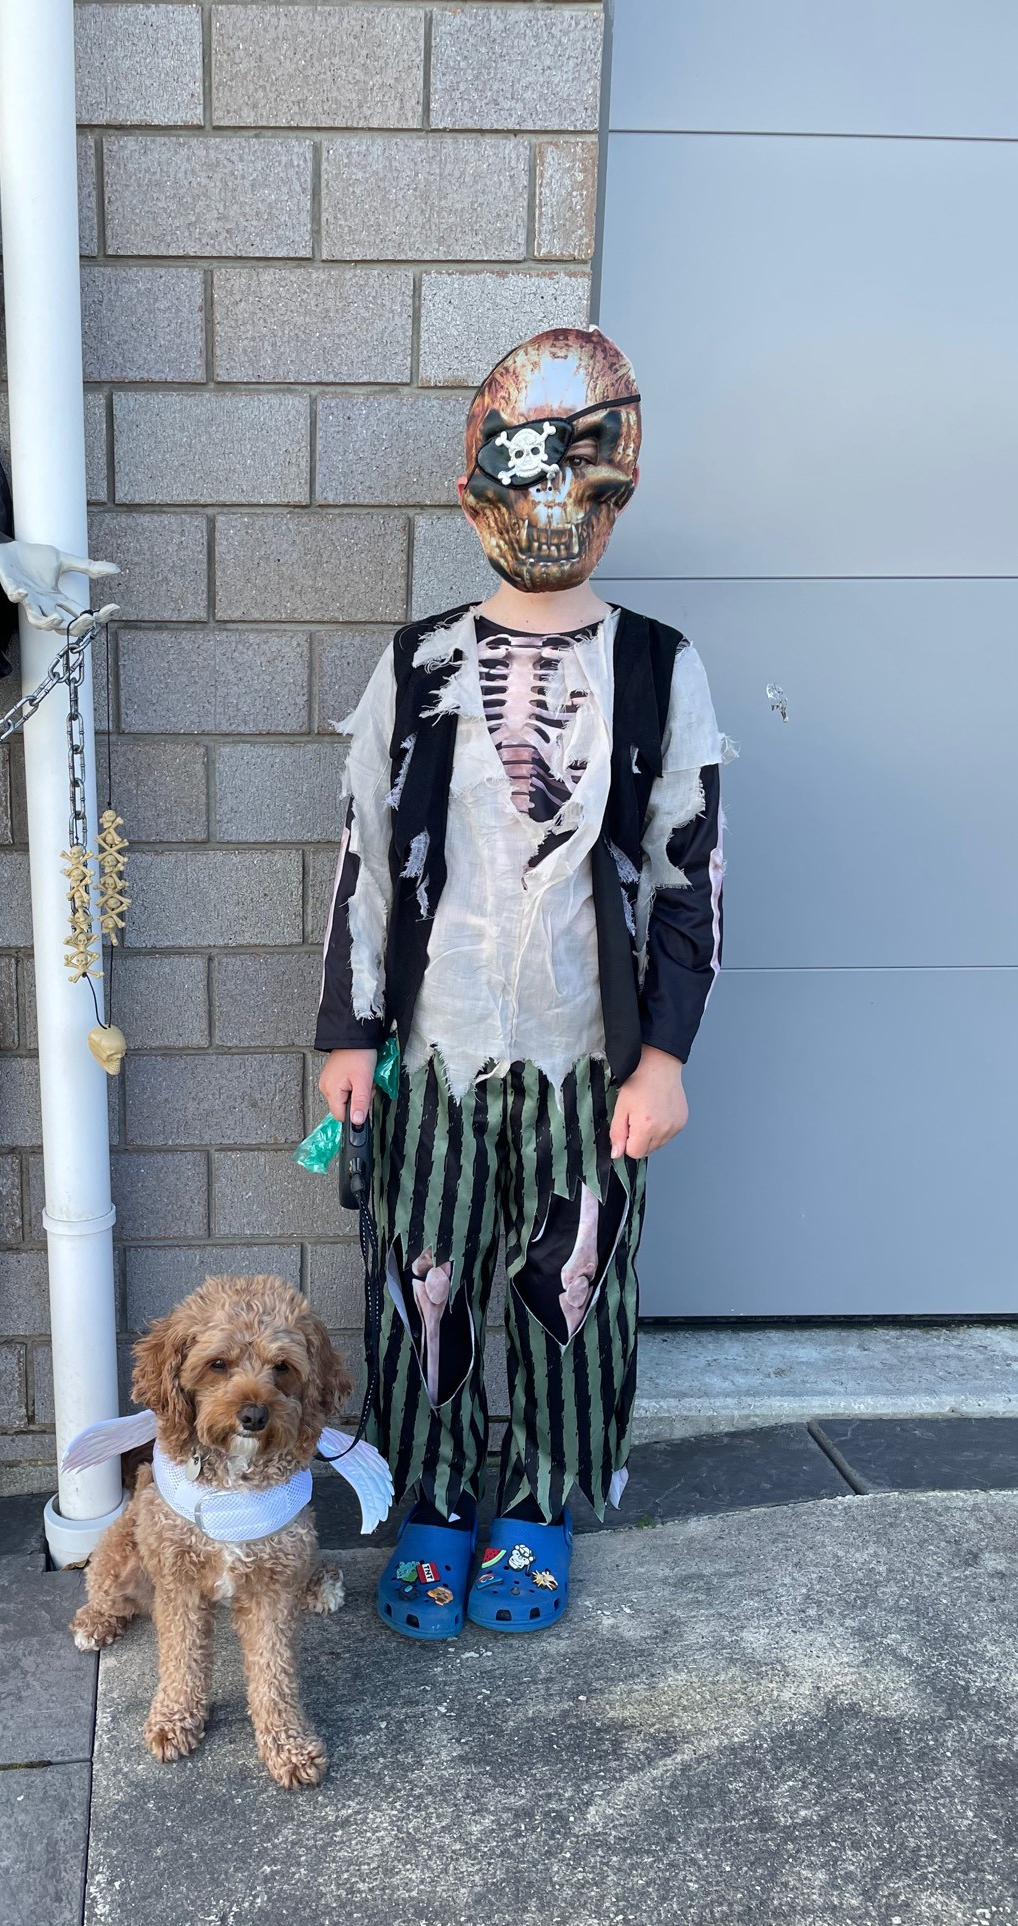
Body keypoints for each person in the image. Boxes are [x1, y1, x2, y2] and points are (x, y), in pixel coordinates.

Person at [314, 326, 730, 1640]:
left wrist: (664, 1054)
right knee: (420, 1272)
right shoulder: (417, 662)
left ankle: (541, 1498)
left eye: (583, 485)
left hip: (585, 1060)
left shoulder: (661, 668)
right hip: (432, 1051)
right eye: (525, 476)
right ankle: (435, 1494)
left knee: (570, 1286)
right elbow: (364, 860)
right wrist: (345, 1031)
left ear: (618, 497)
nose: (552, 513)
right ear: (472, 491)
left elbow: (692, 870)